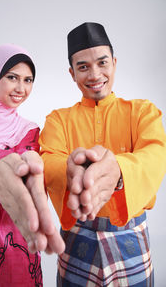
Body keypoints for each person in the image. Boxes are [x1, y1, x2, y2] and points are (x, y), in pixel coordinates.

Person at [39, 22, 166, 286]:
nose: (95, 74)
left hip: (130, 237)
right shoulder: (58, 120)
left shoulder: (142, 112)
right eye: (83, 67)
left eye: (102, 62)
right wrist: (68, 170)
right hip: (76, 237)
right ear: (72, 73)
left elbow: (156, 152)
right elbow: (48, 158)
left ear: (115, 63)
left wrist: (119, 170)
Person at [0, 43, 64, 286]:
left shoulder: (28, 130)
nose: (21, 88)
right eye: (12, 77)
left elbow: (25, 173)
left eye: (28, 80)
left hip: (16, 242)